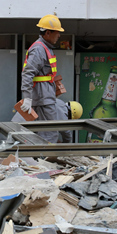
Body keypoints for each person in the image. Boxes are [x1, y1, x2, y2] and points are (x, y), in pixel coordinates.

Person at [19, 14, 65, 143]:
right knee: (49, 132)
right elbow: (27, 73)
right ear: (48, 33)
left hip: (44, 96)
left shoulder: (44, 48)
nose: (59, 35)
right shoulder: (39, 49)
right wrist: (27, 97)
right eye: (57, 32)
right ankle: (44, 159)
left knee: (46, 131)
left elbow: (42, 75)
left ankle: (41, 159)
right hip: (42, 98)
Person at [12, 99, 83, 143]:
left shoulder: (58, 101)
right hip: (24, 126)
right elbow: (66, 134)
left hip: (17, 121)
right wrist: (66, 145)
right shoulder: (63, 115)